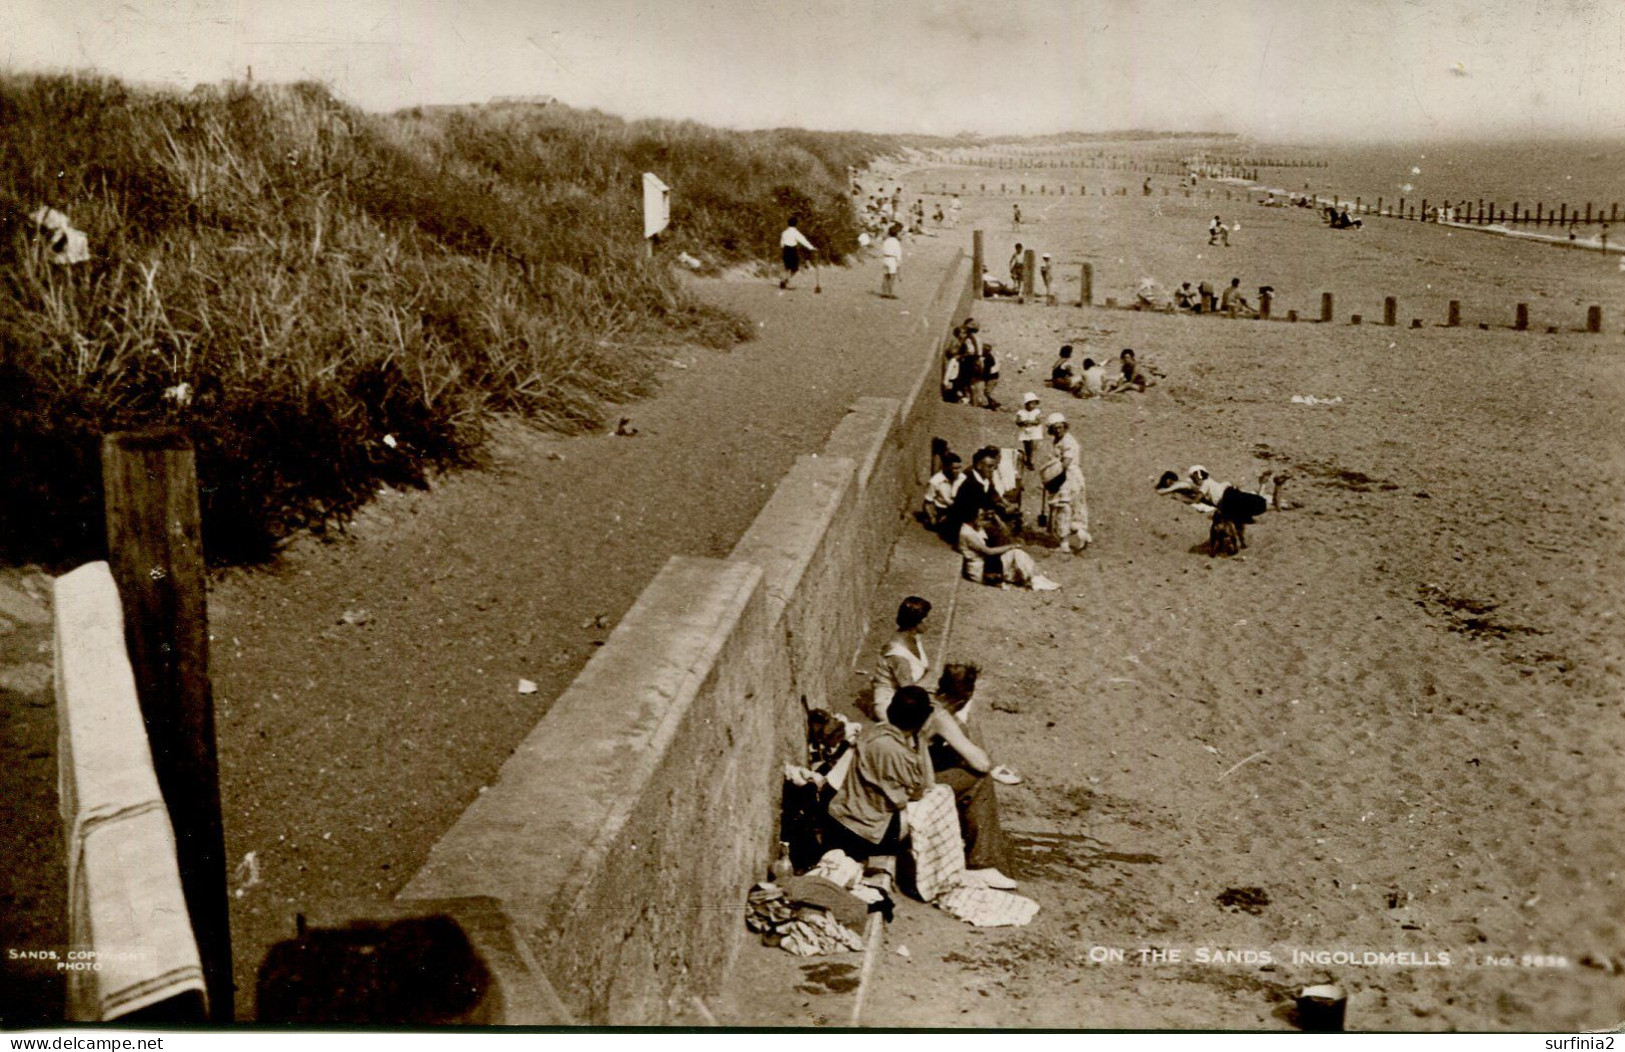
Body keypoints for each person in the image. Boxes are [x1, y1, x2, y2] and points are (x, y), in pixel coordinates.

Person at [924, 664, 1019, 887]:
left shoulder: (927, 700)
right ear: (964, 696)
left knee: (961, 767)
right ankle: (982, 862)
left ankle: (979, 854)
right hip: (916, 782)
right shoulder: (940, 716)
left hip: (903, 772)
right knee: (979, 778)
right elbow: (982, 763)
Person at [825, 686, 934, 862]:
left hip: (839, 821)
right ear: (922, 720)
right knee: (936, 800)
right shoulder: (901, 754)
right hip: (868, 835)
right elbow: (921, 790)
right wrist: (921, 739)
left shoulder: (872, 730)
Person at [959, 507, 1060, 590]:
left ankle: (1034, 578)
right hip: (980, 569)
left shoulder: (975, 527)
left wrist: (996, 518)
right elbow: (988, 551)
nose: (983, 517)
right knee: (1015, 552)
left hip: (988, 563)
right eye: (981, 515)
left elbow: (1005, 532)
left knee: (1016, 553)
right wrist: (1011, 546)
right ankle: (1034, 579)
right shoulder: (968, 534)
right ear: (972, 518)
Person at [870, 596, 932, 722]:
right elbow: (909, 694)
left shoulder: (913, 637)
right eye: (926, 619)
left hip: (913, 690)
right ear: (916, 622)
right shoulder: (898, 654)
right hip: (892, 705)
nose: (930, 622)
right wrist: (930, 679)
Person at [1040, 413, 1091, 554]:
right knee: (1071, 508)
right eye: (1055, 428)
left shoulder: (1068, 442)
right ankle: (1081, 534)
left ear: (1065, 426)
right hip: (1066, 476)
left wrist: (1050, 477)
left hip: (1067, 477)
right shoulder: (1058, 440)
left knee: (1063, 508)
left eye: (1060, 427)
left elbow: (1065, 463)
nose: (1058, 430)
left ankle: (1064, 543)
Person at [948, 446, 1014, 535]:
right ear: (979, 466)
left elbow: (991, 497)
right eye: (989, 467)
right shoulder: (971, 483)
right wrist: (1000, 518)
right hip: (965, 522)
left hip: (979, 515)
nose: (992, 470)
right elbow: (984, 505)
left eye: (993, 467)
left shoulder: (985, 479)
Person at [923, 452, 965, 529]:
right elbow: (928, 503)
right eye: (955, 468)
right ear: (946, 467)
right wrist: (931, 516)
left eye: (959, 468)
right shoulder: (935, 481)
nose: (958, 471)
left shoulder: (963, 478)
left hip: (959, 508)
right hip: (942, 510)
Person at [779, 217, 816, 289]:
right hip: (792, 250)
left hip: (785, 250)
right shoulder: (796, 233)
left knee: (787, 267)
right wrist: (812, 248)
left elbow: (781, 244)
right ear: (796, 224)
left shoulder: (784, 232)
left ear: (788, 223)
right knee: (794, 268)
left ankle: (783, 280)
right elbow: (803, 241)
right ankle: (786, 280)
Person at [1016, 393, 1044, 469]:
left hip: (1034, 431)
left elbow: (1038, 421)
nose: (1033, 405)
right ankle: (1028, 458)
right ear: (1026, 404)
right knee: (1027, 445)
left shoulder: (1037, 411)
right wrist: (1022, 422)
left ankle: (1031, 461)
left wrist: (1030, 422)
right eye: (1031, 403)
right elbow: (1017, 421)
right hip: (1025, 431)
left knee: (1032, 445)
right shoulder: (1021, 412)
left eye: (1035, 403)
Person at [880, 223, 903, 298]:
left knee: (885, 276)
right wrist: (899, 264)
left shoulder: (886, 241)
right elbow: (898, 254)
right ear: (896, 234)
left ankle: (883, 292)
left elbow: (883, 250)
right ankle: (890, 293)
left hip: (885, 258)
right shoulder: (896, 242)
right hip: (892, 259)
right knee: (892, 278)